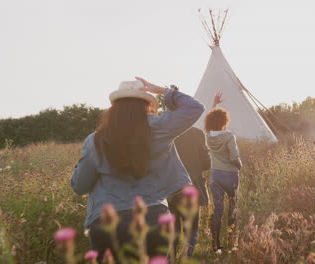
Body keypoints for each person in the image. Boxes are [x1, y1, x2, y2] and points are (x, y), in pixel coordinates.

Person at [70, 77, 204, 262]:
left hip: (108, 221)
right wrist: (161, 90)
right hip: (153, 216)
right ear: (147, 105)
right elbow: (195, 108)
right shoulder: (159, 127)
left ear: (114, 108)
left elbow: (80, 186)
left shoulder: (95, 140)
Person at [205, 92, 242, 254]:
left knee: (218, 209)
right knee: (233, 207)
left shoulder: (208, 136)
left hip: (215, 176)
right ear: (225, 121)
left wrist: (214, 105)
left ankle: (215, 246)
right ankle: (231, 243)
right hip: (230, 176)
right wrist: (239, 165)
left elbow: (210, 118)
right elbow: (234, 157)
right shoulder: (229, 137)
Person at [167, 126, 211, 257]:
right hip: (192, 189)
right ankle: (187, 258)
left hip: (170, 190)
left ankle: (171, 259)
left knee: (173, 232)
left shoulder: (166, 131)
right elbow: (207, 164)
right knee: (191, 231)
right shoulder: (197, 133)